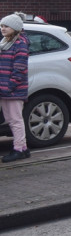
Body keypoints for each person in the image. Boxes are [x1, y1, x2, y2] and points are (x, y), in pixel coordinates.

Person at [0, 14, 31, 162]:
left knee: (15, 120)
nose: (2, 29)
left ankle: (18, 149)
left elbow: (19, 69)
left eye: (6, 26)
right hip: (5, 89)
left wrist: (9, 86)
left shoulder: (20, 44)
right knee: (11, 119)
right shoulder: (6, 43)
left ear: (15, 28)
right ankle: (23, 148)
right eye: (1, 26)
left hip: (13, 90)